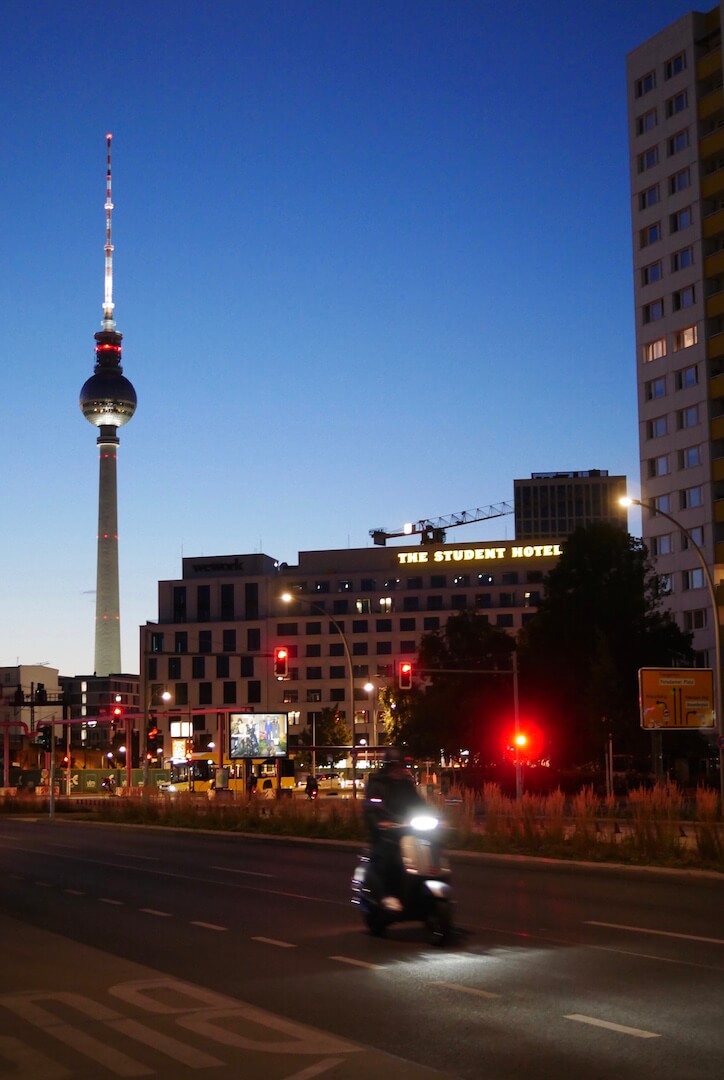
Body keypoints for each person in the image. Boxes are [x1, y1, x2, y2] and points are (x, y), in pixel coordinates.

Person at [363, 751, 428, 909]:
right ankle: (388, 894)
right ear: (387, 767)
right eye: (394, 766)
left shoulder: (406, 785)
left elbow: (419, 803)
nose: (398, 770)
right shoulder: (377, 784)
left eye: (400, 766)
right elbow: (371, 807)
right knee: (392, 856)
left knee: (428, 847)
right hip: (386, 833)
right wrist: (381, 823)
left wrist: (435, 817)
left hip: (407, 830)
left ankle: (420, 889)